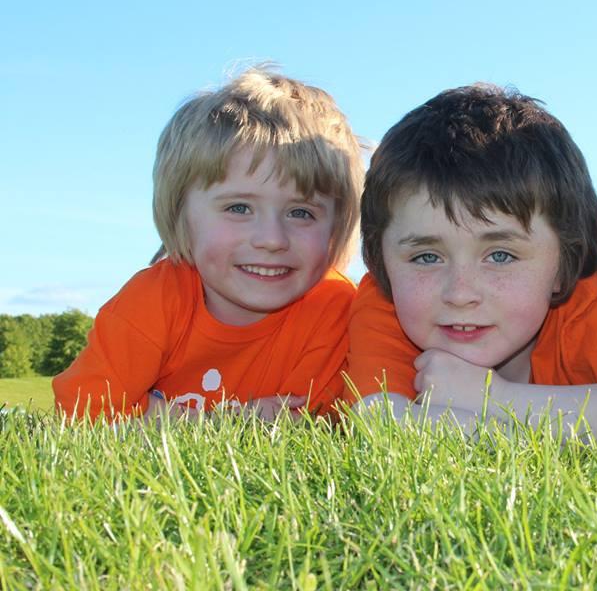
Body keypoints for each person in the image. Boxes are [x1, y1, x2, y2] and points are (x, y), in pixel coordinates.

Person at [346, 84, 597, 438]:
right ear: (382, 260)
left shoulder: (591, 303)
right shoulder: (388, 306)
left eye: (500, 255)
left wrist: (496, 400)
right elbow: (382, 428)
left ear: (563, 261)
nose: (460, 293)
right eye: (427, 256)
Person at [53, 67, 364, 421]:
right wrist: (225, 422)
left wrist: (151, 414)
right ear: (180, 213)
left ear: (339, 224)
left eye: (301, 213)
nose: (271, 239)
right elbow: (83, 408)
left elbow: (303, 426)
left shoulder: (335, 310)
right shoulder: (155, 299)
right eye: (239, 208)